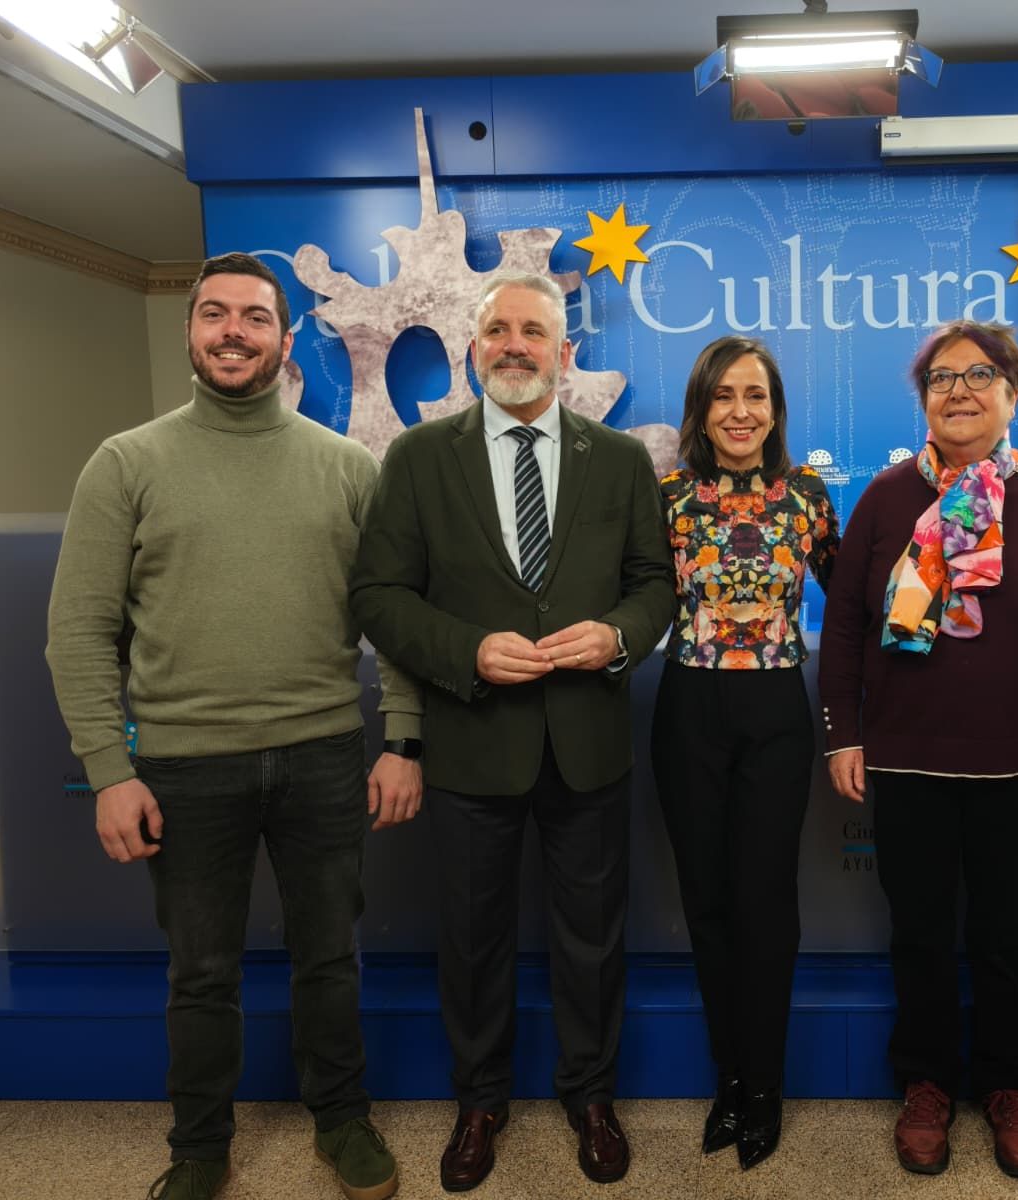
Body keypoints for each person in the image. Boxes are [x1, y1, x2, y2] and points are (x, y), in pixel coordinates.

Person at [45, 252, 422, 1200]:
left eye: (254, 318)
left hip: (325, 756)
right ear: (191, 332)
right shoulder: (126, 462)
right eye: (214, 315)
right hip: (182, 765)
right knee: (201, 973)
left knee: (329, 958)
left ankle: (341, 1121)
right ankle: (199, 1149)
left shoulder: (347, 469)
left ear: (286, 341)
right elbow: (78, 632)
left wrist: (403, 738)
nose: (232, 332)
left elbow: (398, 619)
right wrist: (108, 768)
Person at [349, 271, 673, 1190]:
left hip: (588, 743)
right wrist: (464, 650)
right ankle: (480, 1101)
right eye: (499, 331)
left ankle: (591, 1096)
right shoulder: (417, 459)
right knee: (475, 938)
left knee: (592, 938)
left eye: (535, 331)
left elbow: (655, 584)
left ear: (565, 353)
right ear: (473, 347)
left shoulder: (616, 460)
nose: (516, 345)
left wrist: (617, 635)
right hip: (470, 743)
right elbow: (378, 593)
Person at [818, 320, 1018, 1180]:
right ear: (924, 400)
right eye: (942, 379)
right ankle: (929, 1085)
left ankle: (1011, 1087)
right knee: (919, 931)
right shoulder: (883, 498)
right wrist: (844, 731)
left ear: (1013, 395)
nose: (960, 391)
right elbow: (844, 629)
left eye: (981, 375)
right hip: (906, 755)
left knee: (1004, 932)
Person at [651, 336, 840, 1170]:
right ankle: (729, 1078)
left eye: (755, 395)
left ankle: (765, 1084)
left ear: (775, 409)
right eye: (723, 395)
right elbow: (624, 597)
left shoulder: (808, 497)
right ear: (702, 409)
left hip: (775, 708)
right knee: (708, 904)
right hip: (687, 704)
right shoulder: (665, 498)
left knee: (765, 905)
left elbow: (868, 601)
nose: (739, 411)